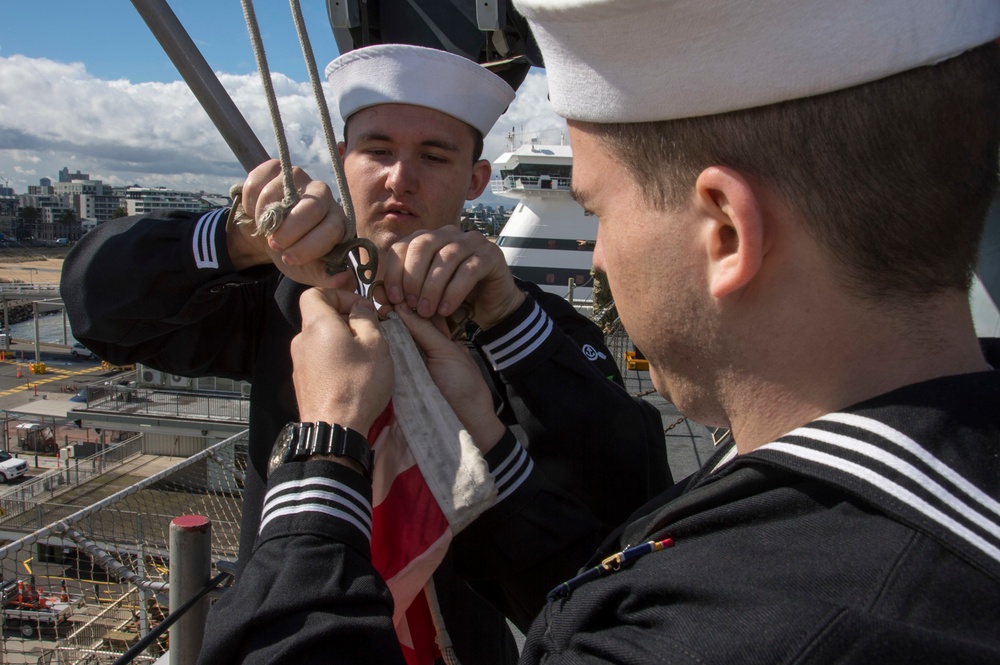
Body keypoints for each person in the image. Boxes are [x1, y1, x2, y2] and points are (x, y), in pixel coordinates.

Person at [194, 0, 1000, 662]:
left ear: (724, 230)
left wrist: (325, 447)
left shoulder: (724, 627)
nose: (601, 256)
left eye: (597, 211)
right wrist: (488, 433)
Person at [62, 43, 668, 663]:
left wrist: (507, 320)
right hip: (300, 616)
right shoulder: (287, 299)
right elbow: (99, 308)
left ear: (475, 180)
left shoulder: (523, 319)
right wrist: (238, 236)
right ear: (344, 160)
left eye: (434, 156)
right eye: (377, 151)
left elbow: (624, 486)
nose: (399, 178)